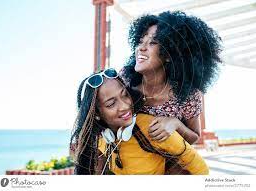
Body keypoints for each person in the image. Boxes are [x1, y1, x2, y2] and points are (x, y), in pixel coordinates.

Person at [120, 11, 222, 174]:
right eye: (141, 41)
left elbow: (195, 136)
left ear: (169, 54)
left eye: (153, 42)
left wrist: (175, 123)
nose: (142, 48)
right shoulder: (124, 79)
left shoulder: (188, 94)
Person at [70, 68, 209, 175]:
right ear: (97, 114)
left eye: (125, 94)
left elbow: (198, 166)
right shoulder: (101, 138)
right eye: (111, 104)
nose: (124, 106)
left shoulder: (152, 127)